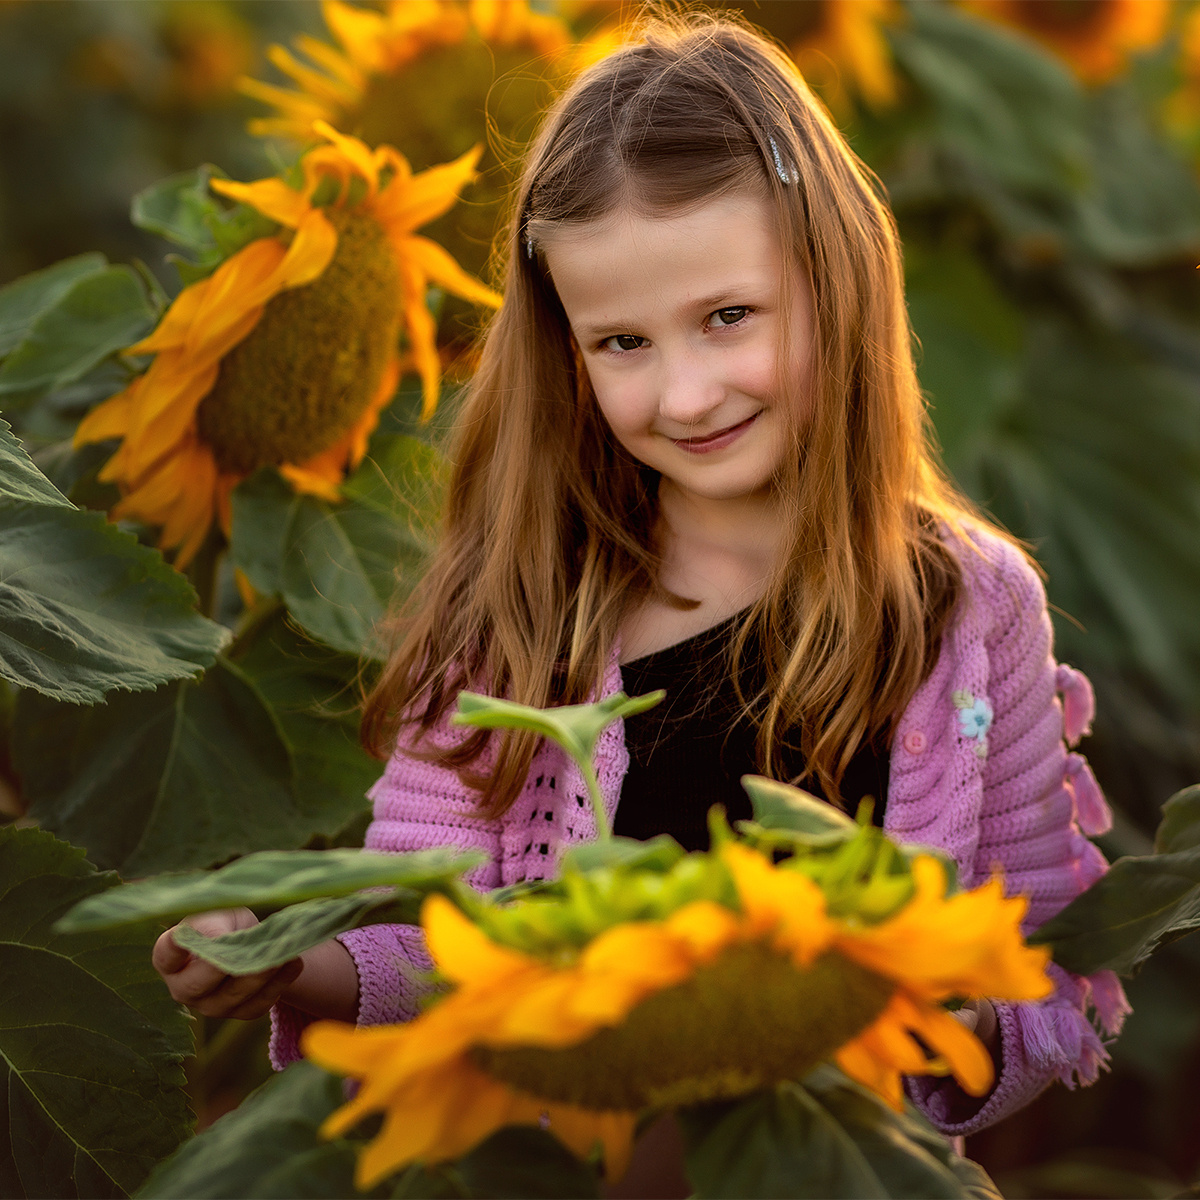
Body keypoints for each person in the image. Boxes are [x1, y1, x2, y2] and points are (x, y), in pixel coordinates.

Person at [153, 9, 1126, 1150]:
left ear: (838, 281)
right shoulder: (517, 616)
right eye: (623, 343)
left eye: (727, 318)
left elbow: (1045, 967)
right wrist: (282, 965)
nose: (686, 395)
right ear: (566, 348)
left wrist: (871, 1029)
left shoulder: (973, 608)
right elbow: (439, 946)